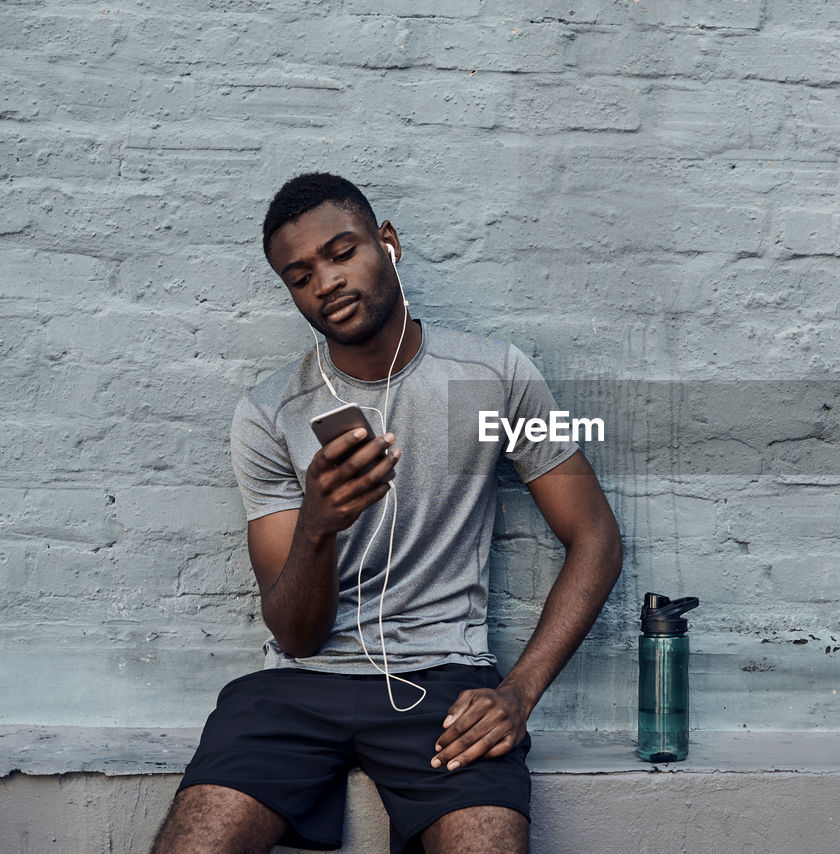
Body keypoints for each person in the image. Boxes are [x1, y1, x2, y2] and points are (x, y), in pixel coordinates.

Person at [152, 173, 623, 854]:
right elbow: (295, 634)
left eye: (342, 252)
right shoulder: (271, 411)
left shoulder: (486, 379)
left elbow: (596, 538)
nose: (326, 282)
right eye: (300, 274)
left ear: (389, 245)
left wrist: (519, 693)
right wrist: (317, 526)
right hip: (297, 689)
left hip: (441, 681)